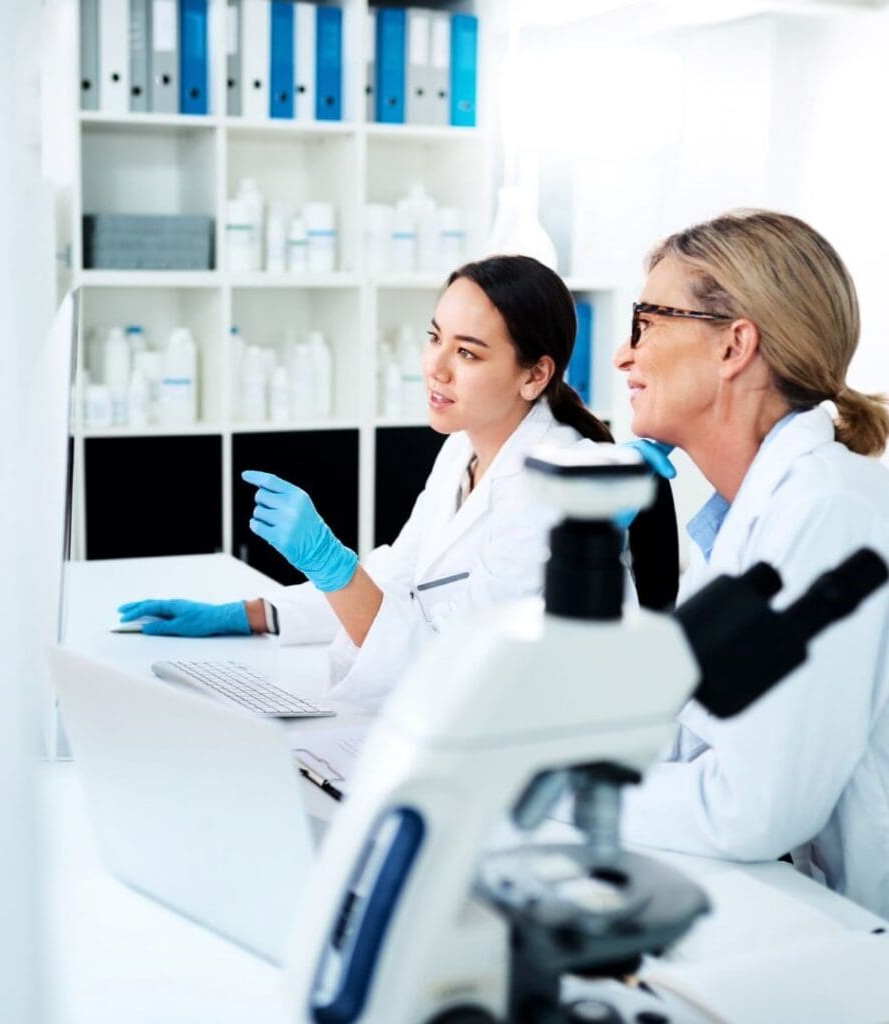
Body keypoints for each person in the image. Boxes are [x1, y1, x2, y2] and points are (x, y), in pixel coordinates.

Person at [119, 255, 615, 709]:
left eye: (467, 353)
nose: (435, 368)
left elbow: (446, 655)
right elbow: (398, 583)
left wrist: (330, 562)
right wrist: (248, 614)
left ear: (534, 375)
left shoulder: (561, 486)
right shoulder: (463, 450)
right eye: (436, 337)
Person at [611, 209, 889, 916]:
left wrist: (568, 798)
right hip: (784, 902)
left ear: (735, 345)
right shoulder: (744, 518)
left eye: (647, 323)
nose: (623, 355)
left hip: (848, 937)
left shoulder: (827, 512)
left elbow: (756, 807)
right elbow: (680, 740)